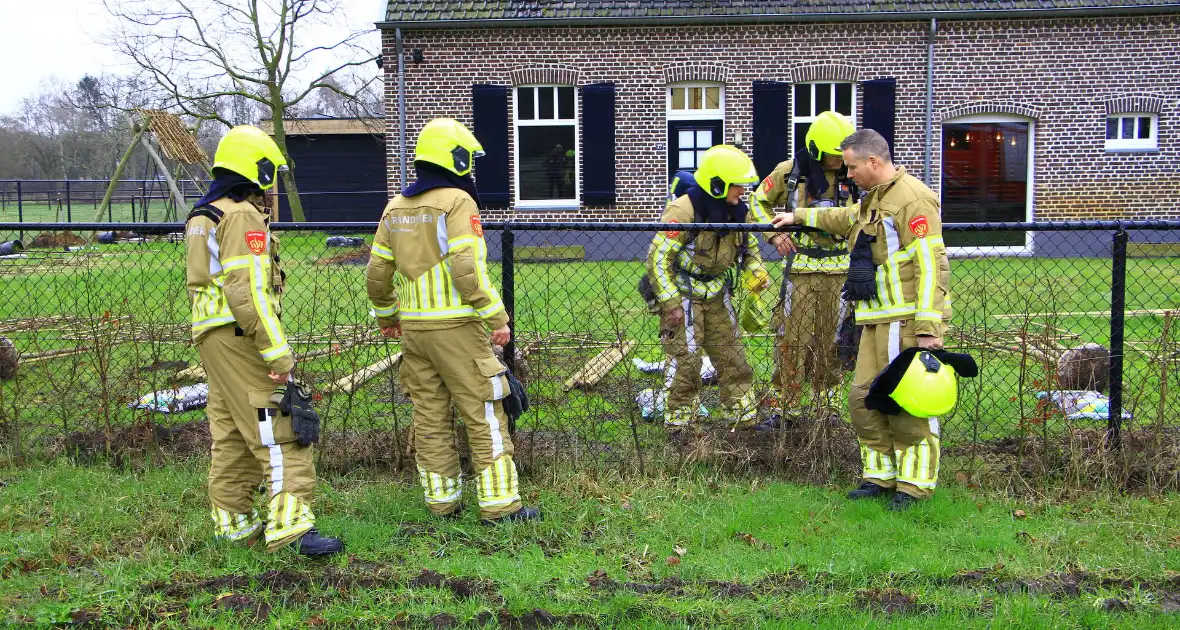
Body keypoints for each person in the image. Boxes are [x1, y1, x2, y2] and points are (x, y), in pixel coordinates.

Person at [366, 118, 539, 524]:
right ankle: (500, 505)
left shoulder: (395, 207)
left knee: (429, 415)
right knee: (483, 411)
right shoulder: (458, 203)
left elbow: (376, 273)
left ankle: (441, 502)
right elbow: (466, 269)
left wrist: (388, 316)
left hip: (414, 332)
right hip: (458, 328)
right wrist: (495, 315)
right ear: (456, 158)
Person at [771, 128, 951, 510]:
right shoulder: (875, 200)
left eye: (852, 166)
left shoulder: (913, 199)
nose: (847, 175)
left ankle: (914, 487)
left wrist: (928, 329)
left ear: (873, 161)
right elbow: (844, 216)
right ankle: (880, 478)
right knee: (863, 400)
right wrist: (798, 216)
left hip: (906, 323)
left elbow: (932, 267)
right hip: (876, 320)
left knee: (908, 405)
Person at [184, 125, 343, 555]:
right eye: (270, 172)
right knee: (280, 428)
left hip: (212, 337)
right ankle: (291, 530)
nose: (272, 183)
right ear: (256, 168)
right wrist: (278, 354)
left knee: (234, 432)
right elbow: (248, 291)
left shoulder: (205, 213)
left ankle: (234, 524)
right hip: (240, 336)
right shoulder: (240, 215)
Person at [646, 146, 770, 429]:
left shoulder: (739, 212)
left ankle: (743, 419)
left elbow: (750, 249)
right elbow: (658, 259)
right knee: (686, 360)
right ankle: (679, 424)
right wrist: (671, 303)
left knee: (733, 357)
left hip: (718, 293)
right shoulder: (682, 210)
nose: (743, 191)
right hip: (684, 294)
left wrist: (756, 271)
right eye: (737, 185)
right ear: (717, 184)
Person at [750, 111, 859, 416]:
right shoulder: (789, 172)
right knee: (792, 340)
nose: (839, 162)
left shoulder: (853, 174)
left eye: (843, 156)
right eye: (832, 155)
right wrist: (773, 234)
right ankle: (787, 407)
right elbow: (757, 202)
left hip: (840, 272)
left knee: (833, 341)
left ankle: (828, 408)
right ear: (815, 149)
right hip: (800, 272)